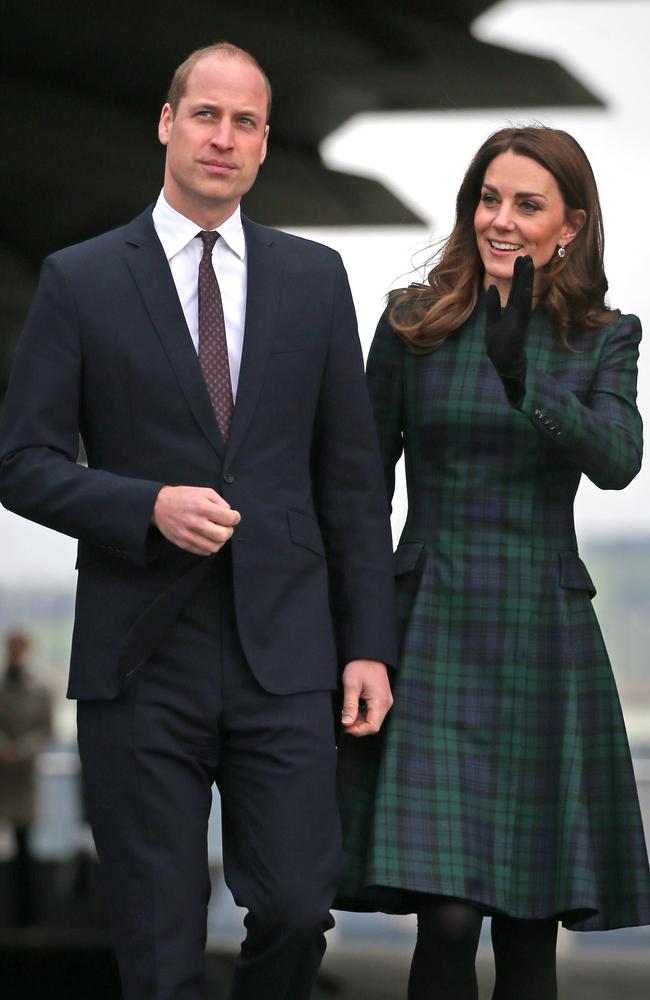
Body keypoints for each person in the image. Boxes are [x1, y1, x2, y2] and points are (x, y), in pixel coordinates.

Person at [0, 42, 397, 1000]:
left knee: (301, 908)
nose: (225, 137)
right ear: (168, 123)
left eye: (247, 122)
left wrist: (368, 646)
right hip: (141, 662)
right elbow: (22, 464)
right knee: (159, 946)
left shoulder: (315, 278)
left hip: (289, 658)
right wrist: (145, 505)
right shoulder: (80, 278)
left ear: (264, 146)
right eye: (207, 115)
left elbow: (351, 483)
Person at [336, 126, 650, 999]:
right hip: (428, 623)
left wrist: (524, 377)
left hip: (539, 636)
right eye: (488, 197)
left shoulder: (605, 335)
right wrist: (359, 637)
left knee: (526, 924)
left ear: (571, 225)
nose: (499, 219)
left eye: (526, 203)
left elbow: (620, 459)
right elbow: (363, 492)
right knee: (445, 916)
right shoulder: (411, 321)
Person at [0, 630, 53, 925]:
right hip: (4, 776)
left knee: (24, 849)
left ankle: (25, 919)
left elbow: (45, 730)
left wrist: (22, 750)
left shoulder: (39, 690)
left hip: (22, 778)